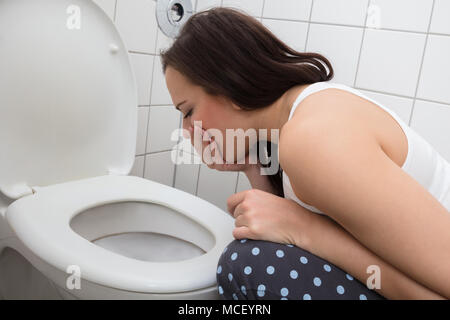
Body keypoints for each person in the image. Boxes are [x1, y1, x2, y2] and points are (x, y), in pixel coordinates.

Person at [160, 7, 450, 300]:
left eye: (188, 111)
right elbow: (292, 233)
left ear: (227, 84)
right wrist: (253, 167)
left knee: (248, 263)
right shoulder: (299, 116)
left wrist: (306, 230)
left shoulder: (313, 139)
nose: (186, 130)